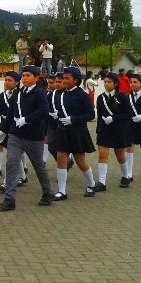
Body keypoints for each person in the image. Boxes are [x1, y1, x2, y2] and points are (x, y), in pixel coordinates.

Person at [0, 66, 54, 211]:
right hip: (16, 134)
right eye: (23, 76)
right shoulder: (18, 93)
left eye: (28, 75)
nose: (24, 78)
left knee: (39, 166)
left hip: (33, 136)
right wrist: (3, 131)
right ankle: (9, 199)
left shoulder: (40, 93)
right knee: (12, 164)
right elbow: (11, 113)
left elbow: (44, 112)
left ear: (36, 78)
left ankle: (47, 193)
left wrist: (26, 119)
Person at [53, 67, 97, 200]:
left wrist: (73, 119)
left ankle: (91, 184)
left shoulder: (82, 95)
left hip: (77, 131)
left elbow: (91, 115)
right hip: (62, 131)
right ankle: (62, 191)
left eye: (67, 78)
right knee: (61, 158)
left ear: (75, 80)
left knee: (80, 161)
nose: (64, 80)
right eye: (63, 78)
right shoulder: (61, 94)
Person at [93, 72, 132, 193]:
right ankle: (102, 182)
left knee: (120, 154)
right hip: (104, 130)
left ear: (115, 83)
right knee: (102, 154)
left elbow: (128, 114)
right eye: (105, 82)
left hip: (118, 129)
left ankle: (126, 176)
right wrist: (98, 130)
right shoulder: (100, 98)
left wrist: (114, 118)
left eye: (109, 82)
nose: (106, 84)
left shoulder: (122, 97)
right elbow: (99, 115)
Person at [0, 71, 21, 176]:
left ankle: (22, 170)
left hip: (15, 125)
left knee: (15, 149)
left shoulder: (20, 94)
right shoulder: (2, 95)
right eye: (5, 80)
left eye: (9, 80)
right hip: (4, 123)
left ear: (17, 82)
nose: (6, 82)